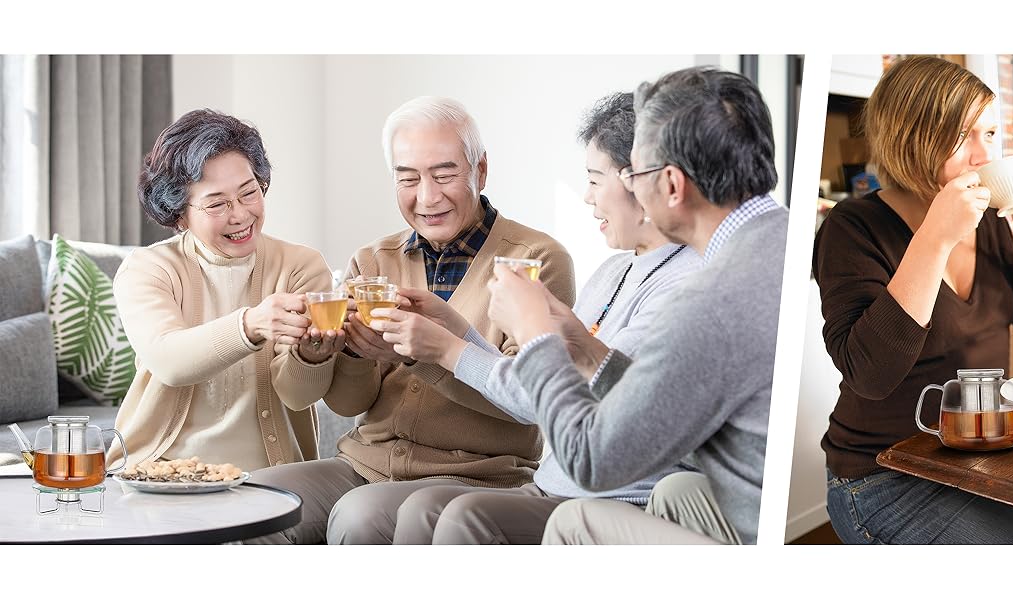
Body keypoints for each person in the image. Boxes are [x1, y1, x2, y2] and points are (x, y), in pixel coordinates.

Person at [376, 92, 706, 544]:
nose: (587, 197)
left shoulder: (687, 285)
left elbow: (567, 404)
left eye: (594, 179)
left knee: (462, 516)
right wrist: (456, 329)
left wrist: (449, 351)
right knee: (423, 508)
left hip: (616, 502)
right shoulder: (615, 271)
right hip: (555, 487)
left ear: (644, 183)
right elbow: (538, 386)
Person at [246, 97, 575, 544]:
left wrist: (421, 356)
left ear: (480, 170)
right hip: (365, 464)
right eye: (408, 178)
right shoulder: (373, 259)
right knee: (255, 502)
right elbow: (347, 405)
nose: (427, 197)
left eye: (444, 175)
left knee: (360, 515)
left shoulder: (534, 260)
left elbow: (528, 402)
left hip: (478, 475)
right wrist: (327, 352)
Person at [484, 66, 786, 544]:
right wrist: (583, 348)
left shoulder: (708, 301)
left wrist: (534, 334)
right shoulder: (779, 238)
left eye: (635, 173)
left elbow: (590, 460)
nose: (630, 189)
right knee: (679, 491)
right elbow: (671, 395)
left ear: (671, 185)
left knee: (573, 522)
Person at [814, 55, 1013, 544]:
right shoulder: (852, 228)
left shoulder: (992, 219)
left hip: (983, 455)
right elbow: (870, 374)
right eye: (961, 135)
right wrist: (935, 239)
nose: (982, 155)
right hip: (883, 476)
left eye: (990, 134)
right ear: (910, 136)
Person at [108, 109, 339, 473]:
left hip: (273, 474)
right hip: (161, 469)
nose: (240, 215)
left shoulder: (301, 266)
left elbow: (300, 395)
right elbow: (169, 360)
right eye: (217, 203)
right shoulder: (149, 268)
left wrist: (313, 357)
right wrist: (251, 326)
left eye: (249, 193)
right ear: (179, 214)